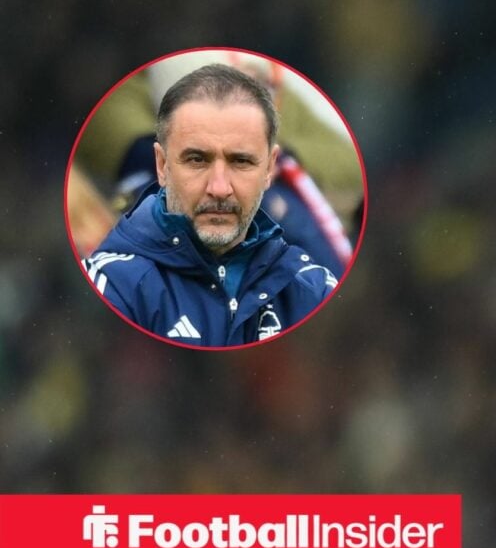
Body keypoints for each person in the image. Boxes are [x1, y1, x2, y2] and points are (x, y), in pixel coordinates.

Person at [83, 64, 337, 347]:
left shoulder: (315, 288)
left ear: (269, 169)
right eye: (197, 160)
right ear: (162, 165)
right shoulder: (108, 288)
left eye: (240, 161)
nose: (219, 188)